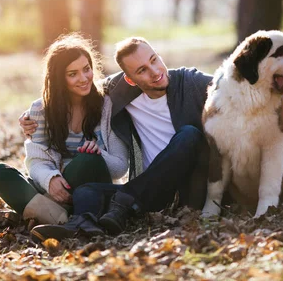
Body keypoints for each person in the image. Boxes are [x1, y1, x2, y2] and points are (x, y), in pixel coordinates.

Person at [20, 37, 212, 241]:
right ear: (129, 79)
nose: (155, 72)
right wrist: (30, 116)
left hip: (187, 188)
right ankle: (80, 225)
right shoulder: (118, 93)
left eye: (154, 60)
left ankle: (126, 201)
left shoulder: (190, 82)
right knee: (86, 190)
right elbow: (79, 90)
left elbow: (232, 83)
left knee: (189, 134)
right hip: (149, 193)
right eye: (141, 70)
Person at [0, 33, 128, 232]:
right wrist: (51, 179)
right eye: (73, 74)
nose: (84, 78)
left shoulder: (106, 105)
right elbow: (36, 161)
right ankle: (63, 218)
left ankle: (36, 215)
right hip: (52, 190)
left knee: (87, 160)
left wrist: (99, 153)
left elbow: (121, 167)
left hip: (91, 190)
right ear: (59, 78)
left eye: (86, 69)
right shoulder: (40, 111)